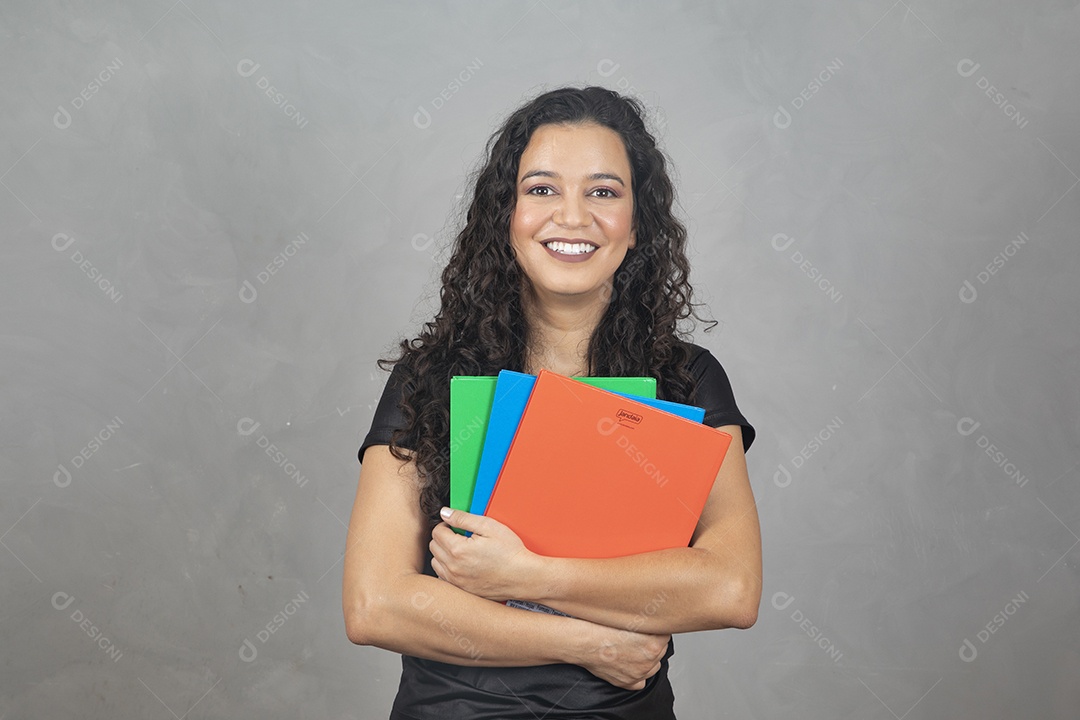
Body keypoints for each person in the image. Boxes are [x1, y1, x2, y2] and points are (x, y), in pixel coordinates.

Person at [343, 85, 761, 719]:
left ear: (636, 221)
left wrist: (528, 577)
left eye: (603, 191)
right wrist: (589, 642)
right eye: (541, 189)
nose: (572, 216)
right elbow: (375, 604)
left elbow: (730, 588)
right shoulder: (428, 378)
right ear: (504, 214)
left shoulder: (687, 378)